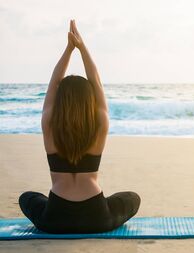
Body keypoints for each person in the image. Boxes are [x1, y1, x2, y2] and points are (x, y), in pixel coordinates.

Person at [18, 20, 140, 234]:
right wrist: (82, 47)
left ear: (60, 99)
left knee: (27, 198)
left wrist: (68, 49)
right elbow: (96, 82)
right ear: (89, 99)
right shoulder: (100, 122)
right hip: (97, 217)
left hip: (54, 217)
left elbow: (54, 81)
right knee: (132, 198)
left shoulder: (49, 122)